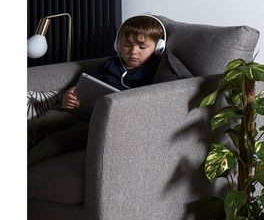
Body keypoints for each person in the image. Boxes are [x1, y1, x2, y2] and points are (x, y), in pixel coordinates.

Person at [28, 15, 166, 165]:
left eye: (142, 47)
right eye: (127, 45)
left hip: (98, 125)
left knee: (49, 145)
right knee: (34, 126)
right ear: (118, 45)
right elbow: (86, 83)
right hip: (79, 111)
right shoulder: (111, 63)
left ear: (158, 48)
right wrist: (70, 94)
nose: (133, 51)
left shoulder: (155, 71)